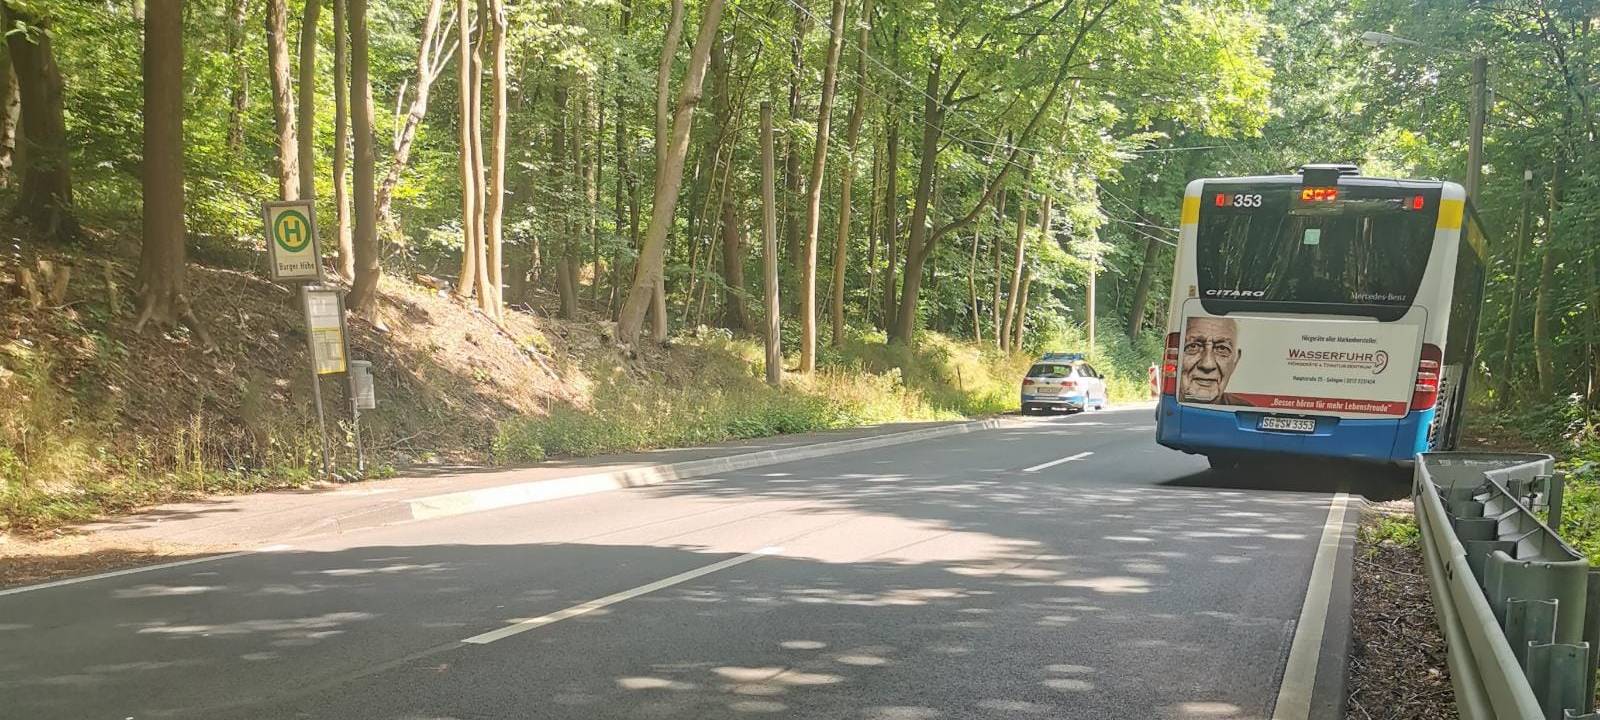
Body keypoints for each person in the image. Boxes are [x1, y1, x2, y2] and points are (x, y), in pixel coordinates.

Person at [1181, 316, 1250, 405]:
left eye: (1222, 348)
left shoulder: (1247, 409)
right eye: (1193, 346)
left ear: (1235, 361)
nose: (1207, 364)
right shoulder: (1167, 408)